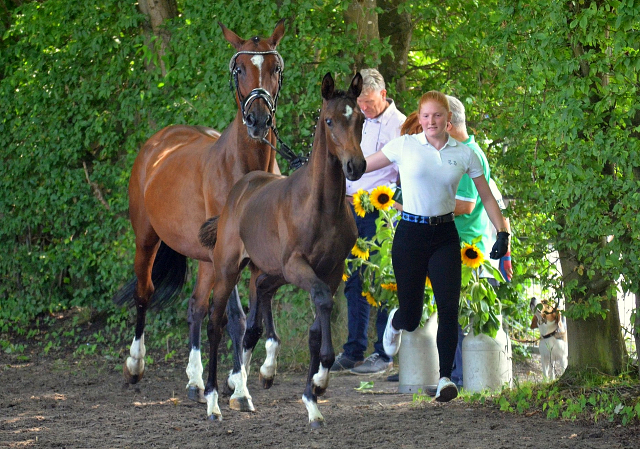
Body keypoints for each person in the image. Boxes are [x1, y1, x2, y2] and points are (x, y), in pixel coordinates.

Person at [364, 91, 510, 402]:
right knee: (412, 316)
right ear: (419, 118)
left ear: (448, 119)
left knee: (448, 309)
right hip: (410, 236)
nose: (432, 121)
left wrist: (503, 233)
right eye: (426, 116)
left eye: (437, 116)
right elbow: (361, 167)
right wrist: (333, 164)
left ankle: (445, 378)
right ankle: (396, 320)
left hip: (444, 236)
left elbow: (486, 197)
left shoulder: (465, 153)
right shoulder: (404, 146)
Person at [330, 68, 406, 375]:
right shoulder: (356, 118)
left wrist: (402, 207)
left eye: (370, 102)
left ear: (384, 95)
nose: (365, 108)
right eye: (361, 103)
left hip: (381, 212)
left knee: (383, 280)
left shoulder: (400, 126)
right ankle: (354, 350)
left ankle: (383, 354)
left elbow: (405, 172)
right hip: (349, 208)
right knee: (353, 279)